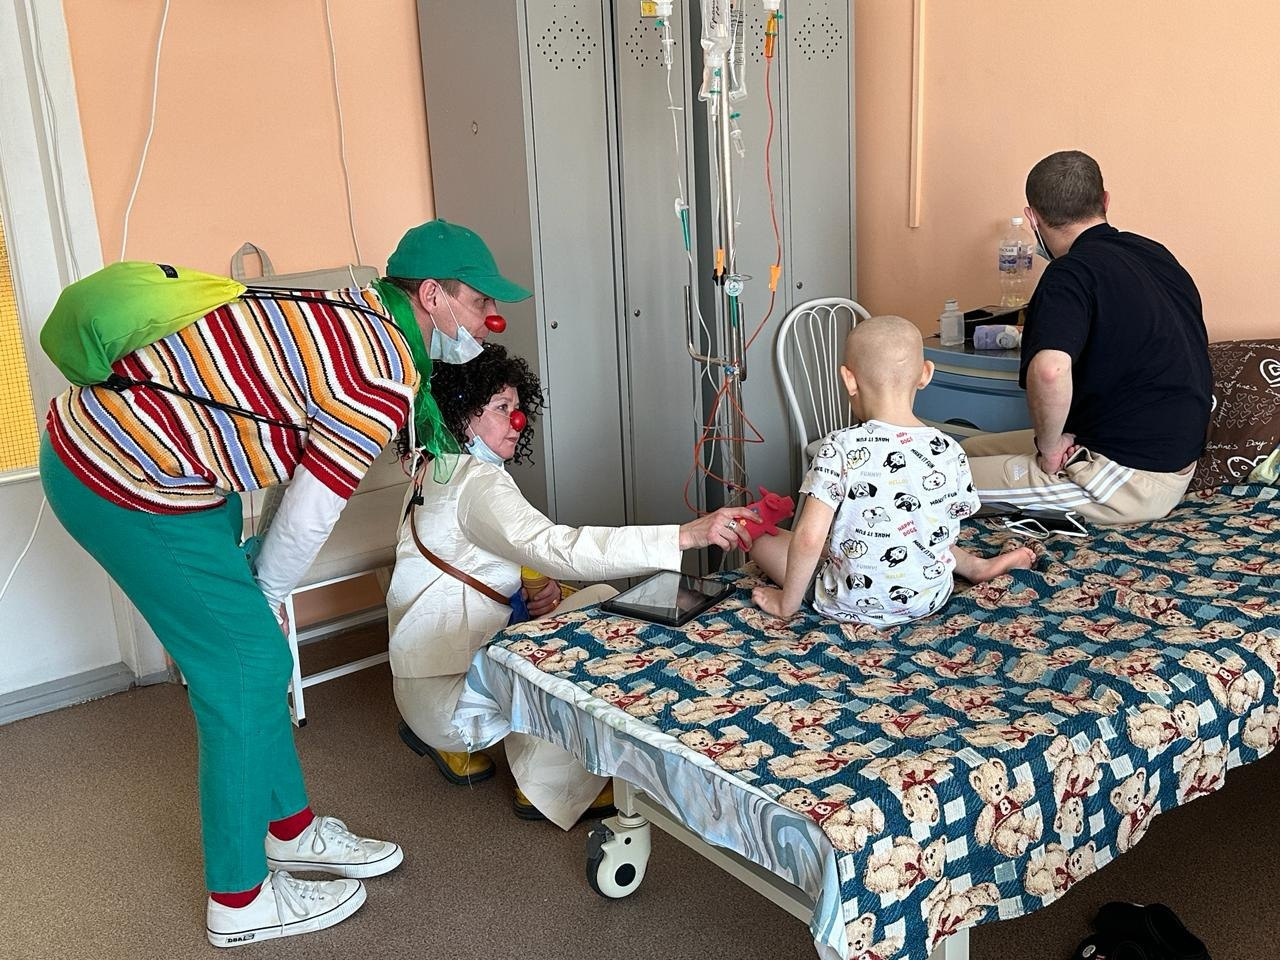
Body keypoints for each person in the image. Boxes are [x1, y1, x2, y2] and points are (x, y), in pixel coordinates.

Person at [39, 219, 529, 946]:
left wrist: (261, 579)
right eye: (479, 302)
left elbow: (286, 460)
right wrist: (267, 594)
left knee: (254, 659)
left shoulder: (353, 309)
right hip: (121, 480)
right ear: (432, 295)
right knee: (245, 670)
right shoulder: (380, 372)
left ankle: (290, 832)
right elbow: (311, 510)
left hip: (167, 469)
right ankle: (239, 901)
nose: (488, 322)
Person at [386, 343, 758, 827]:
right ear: (462, 414)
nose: (516, 420)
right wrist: (686, 535)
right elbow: (555, 546)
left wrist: (535, 585)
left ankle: (482, 750)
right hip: (454, 709)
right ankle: (544, 784)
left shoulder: (431, 470)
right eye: (500, 407)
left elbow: (473, 553)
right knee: (604, 614)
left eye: (517, 407)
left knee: (581, 604)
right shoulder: (477, 482)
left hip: (418, 690)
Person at [964, 150, 1212, 524]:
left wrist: (1050, 449)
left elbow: (1050, 370)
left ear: (1033, 219)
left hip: (1130, 477)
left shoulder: (1068, 273)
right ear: (1105, 201)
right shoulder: (1155, 254)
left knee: (922, 483)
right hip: (1146, 449)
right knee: (964, 451)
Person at [750, 316, 1034, 623]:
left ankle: (795, 587)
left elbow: (808, 537)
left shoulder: (838, 447)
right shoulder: (949, 449)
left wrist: (786, 603)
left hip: (850, 601)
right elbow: (946, 526)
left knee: (757, 536)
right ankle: (976, 567)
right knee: (926, 528)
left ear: (849, 380)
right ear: (925, 374)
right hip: (929, 598)